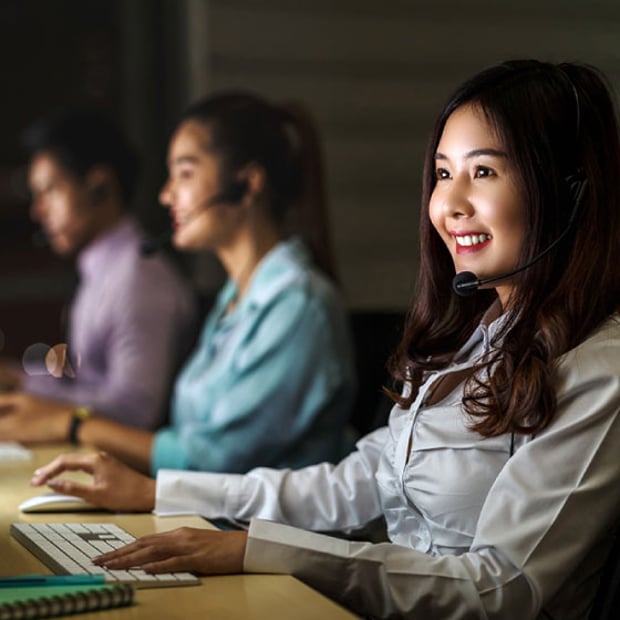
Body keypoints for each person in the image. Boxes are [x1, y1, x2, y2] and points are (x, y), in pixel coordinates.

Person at [26, 59, 620, 619]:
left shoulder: (600, 369)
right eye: (442, 173)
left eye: (483, 171)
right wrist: (162, 494)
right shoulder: (482, 338)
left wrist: (257, 551)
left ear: (571, 193)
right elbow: (358, 482)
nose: (450, 204)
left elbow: (502, 588)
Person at [0, 92, 357, 474]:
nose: (166, 194)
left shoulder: (296, 305)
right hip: (202, 514)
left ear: (249, 183)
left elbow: (212, 460)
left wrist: (71, 422)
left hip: (252, 529)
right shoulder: (236, 299)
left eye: (185, 174)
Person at [0, 108, 197, 430]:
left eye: (50, 191)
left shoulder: (137, 277)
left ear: (99, 187)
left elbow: (135, 408)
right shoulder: (103, 268)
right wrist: (18, 379)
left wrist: (26, 393)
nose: (38, 211)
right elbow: (90, 383)